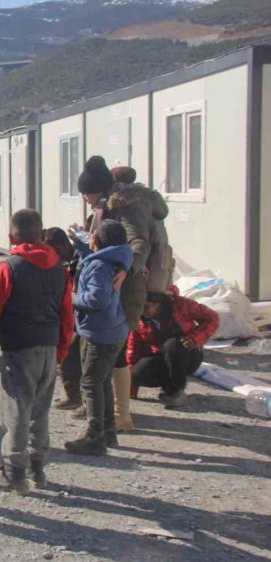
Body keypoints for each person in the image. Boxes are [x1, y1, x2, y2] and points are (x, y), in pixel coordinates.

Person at [0, 210, 74, 494]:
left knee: (16, 408)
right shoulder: (59, 270)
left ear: (11, 238)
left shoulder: (9, 269)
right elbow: (67, 314)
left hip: (19, 349)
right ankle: (38, 467)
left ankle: (14, 472)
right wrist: (62, 348)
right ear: (41, 235)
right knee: (40, 409)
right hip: (49, 348)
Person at [74, 157, 173, 432]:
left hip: (127, 287)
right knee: (96, 347)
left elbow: (138, 242)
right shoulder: (107, 206)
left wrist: (124, 270)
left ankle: (121, 414)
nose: (84, 198)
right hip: (113, 283)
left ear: (99, 190)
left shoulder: (127, 206)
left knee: (114, 351)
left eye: (86, 192)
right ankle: (97, 405)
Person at [64, 220, 133, 456]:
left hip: (100, 332)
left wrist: (74, 298)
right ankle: (108, 431)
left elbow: (98, 298)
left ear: (97, 240)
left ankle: (94, 437)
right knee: (102, 381)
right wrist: (77, 242)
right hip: (113, 329)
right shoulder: (116, 258)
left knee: (91, 383)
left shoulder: (100, 266)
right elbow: (91, 256)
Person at [128, 289, 218, 408]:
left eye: (146, 307)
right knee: (138, 373)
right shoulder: (140, 320)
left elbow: (212, 317)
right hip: (161, 356)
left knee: (172, 345)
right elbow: (134, 348)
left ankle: (176, 392)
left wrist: (195, 338)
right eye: (140, 308)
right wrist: (131, 385)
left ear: (157, 304)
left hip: (187, 352)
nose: (143, 312)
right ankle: (167, 385)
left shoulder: (181, 306)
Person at [45, 227, 85, 413]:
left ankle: (83, 400)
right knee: (67, 357)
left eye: (53, 250)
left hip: (84, 314)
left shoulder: (81, 258)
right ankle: (73, 396)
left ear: (62, 246)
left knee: (77, 359)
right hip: (72, 312)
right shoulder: (65, 262)